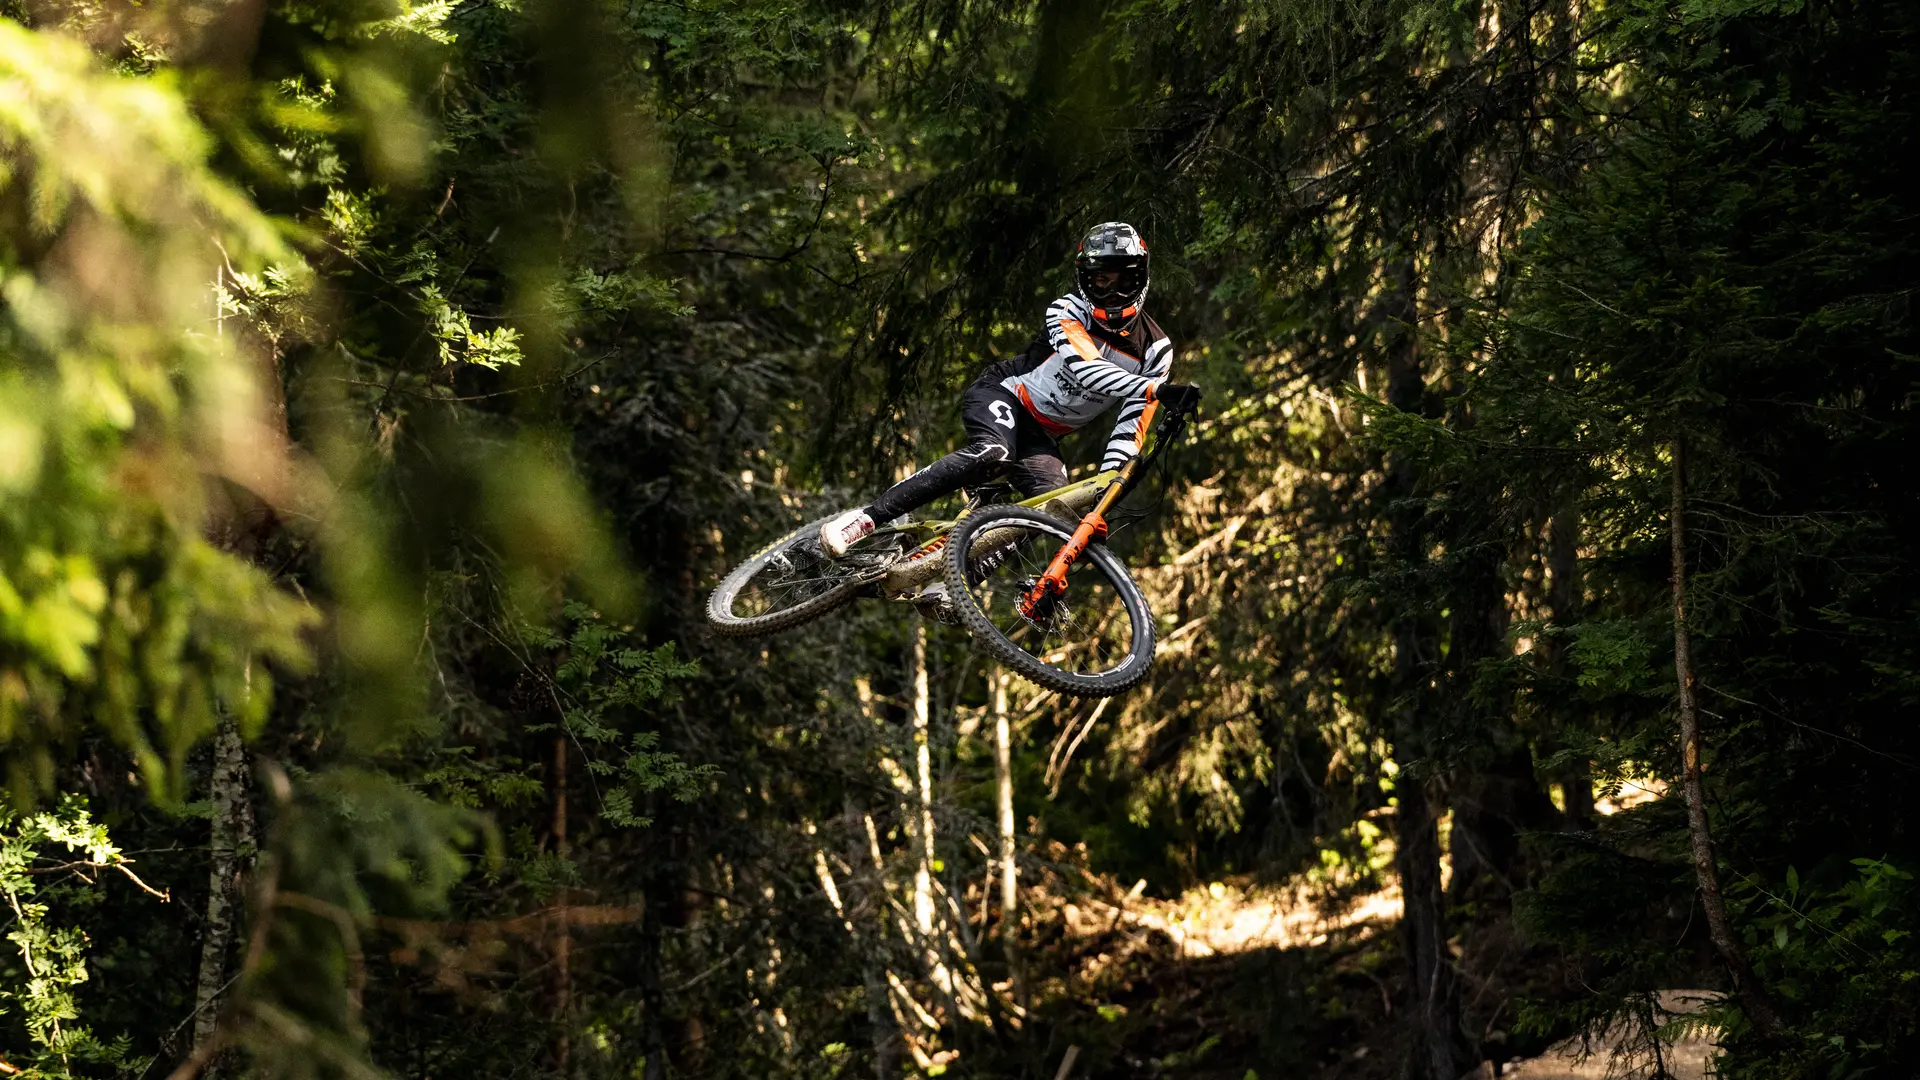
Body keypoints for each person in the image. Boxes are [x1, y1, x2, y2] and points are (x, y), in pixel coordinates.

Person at [821, 220, 1200, 556]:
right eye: (1102, 280)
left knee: (1059, 510)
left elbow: (1129, 430)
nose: (1113, 292)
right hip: (1005, 394)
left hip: (1043, 436)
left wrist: (1107, 489)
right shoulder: (1067, 311)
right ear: (1085, 280)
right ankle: (866, 519)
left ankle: (955, 579)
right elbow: (1089, 370)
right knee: (995, 452)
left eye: (1124, 280)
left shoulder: (1155, 350)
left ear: (1141, 278)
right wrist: (1157, 391)